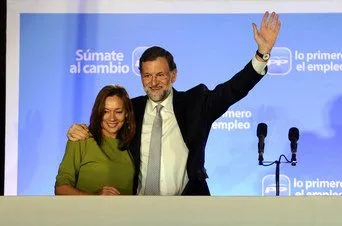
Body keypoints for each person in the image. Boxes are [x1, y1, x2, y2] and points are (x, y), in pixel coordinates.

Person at [67, 11, 281, 195]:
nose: (153, 82)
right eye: (147, 76)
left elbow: (233, 89)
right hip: (136, 211)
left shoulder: (196, 103)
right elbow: (107, 128)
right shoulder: (132, 108)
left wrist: (262, 54)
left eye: (160, 75)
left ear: (173, 75)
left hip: (187, 209)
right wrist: (81, 131)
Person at [55, 85, 136, 195]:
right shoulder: (81, 138)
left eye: (118, 112)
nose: (112, 118)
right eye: (106, 111)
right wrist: (94, 197)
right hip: (89, 211)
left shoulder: (130, 144)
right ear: (98, 112)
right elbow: (61, 188)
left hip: (126, 211)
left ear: (126, 114)